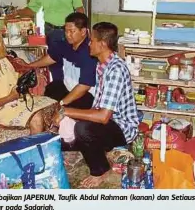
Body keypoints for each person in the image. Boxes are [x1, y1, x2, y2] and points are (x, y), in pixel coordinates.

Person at [55, 22, 140, 188]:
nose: (89, 43)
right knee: (64, 98)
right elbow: (97, 105)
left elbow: (103, 116)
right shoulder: (102, 64)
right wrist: (69, 109)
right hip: (107, 118)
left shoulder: (115, 70)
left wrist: (67, 111)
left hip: (122, 128)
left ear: (102, 44)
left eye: (92, 40)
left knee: (82, 129)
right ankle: (96, 148)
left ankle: (101, 170)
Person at [0, 28, 53, 132]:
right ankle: (35, 147)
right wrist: (11, 97)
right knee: (37, 118)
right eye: (2, 45)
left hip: (19, 101)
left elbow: (13, 78)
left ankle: (53, 142)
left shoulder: (4, 61)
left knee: (55, 106)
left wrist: (25, 77)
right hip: (2, 110)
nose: (5, 47)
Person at [25, 12, 96, 110]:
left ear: (83, 31)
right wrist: (29, 66)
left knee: (61, 108)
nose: (68, 35)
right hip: (68, 88)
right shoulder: (67, 44)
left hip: (84, 94)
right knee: (52, 88)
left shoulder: (89, 52)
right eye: (66, 31)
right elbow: (52, 58)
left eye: (72, 31)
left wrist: (62, 103)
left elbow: (84, 86)